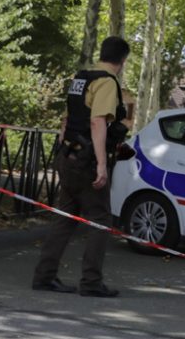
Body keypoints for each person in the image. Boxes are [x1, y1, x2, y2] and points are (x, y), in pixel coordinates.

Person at [31, 36, 131, 298]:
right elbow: (98, 122)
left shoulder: (81, 78)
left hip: (68, 156)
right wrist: (101, 165)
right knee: (100, 220)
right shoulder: (107, 83)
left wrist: (64, 148)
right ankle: (91, 282)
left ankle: (44, 276)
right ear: (122, 60)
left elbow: (67, 119)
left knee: (64, 218)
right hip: (86, 160)